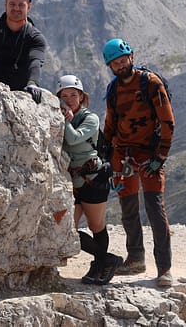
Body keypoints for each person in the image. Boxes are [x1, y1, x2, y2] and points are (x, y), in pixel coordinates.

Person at [101, 38, 176, 287]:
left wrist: (160, 157)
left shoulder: (150, 83)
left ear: (131, 57)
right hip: (123, 155)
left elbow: (167, 122)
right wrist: (107, 156)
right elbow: (110, 124)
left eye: (123, 60)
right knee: (129, 209)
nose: (121, 65)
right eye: (115, 63)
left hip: (149, 155)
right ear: (110, 66)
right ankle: (135, 259)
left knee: (155, 209)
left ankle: (164, 268)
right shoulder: (113, 90)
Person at [57, 74, 122, 284]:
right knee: (68, 229)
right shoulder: (59, 116)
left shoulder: (90, 118)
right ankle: (106, 260)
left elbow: (74, 139)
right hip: (74, 181)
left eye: (73, 95)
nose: (69, 99)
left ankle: (99, 265)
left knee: (96, 226)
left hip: (94, 179)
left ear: (82, 96)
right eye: (64, 96)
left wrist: (65, 118)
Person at [0, 0, 49, 103]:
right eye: (12, 4)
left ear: (29, 6)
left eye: (21, 5)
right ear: (5, 4)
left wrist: (33, 83)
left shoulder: (36, 38)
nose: (16, 8)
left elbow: (35, 62)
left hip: (21, 94)